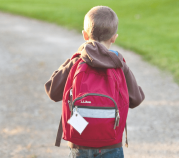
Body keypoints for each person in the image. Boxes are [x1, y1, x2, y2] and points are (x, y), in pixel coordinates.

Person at [45, 6, 145, 158]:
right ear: (114, 38)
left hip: (80, 141)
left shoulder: (77, 62)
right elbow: (136, 100)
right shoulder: (120, 65)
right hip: (111, 142)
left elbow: (52, 91)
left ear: (85, 35)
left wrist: (71, 60)